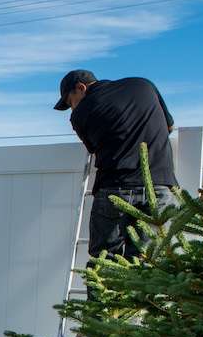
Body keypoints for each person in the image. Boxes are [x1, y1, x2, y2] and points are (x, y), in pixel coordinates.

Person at [55, 69, 178, 263]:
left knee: (104, 260)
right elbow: (169, 126)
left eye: (71, 102)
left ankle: (103, 294)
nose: (72, 109)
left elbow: (93, 148)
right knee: (146, 260)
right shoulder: (143, 84)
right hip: (159, 185)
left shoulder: (80, 114)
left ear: (81, 88)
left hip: (114, 188)